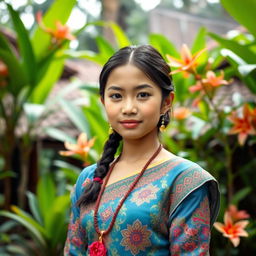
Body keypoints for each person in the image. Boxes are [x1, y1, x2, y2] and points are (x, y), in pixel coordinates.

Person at [64, 45, 220, 255]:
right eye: (116, 96)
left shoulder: (186, 181)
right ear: (103, 102)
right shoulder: (88, 179)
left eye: (143, 94)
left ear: (166, 102)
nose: (128, 108)